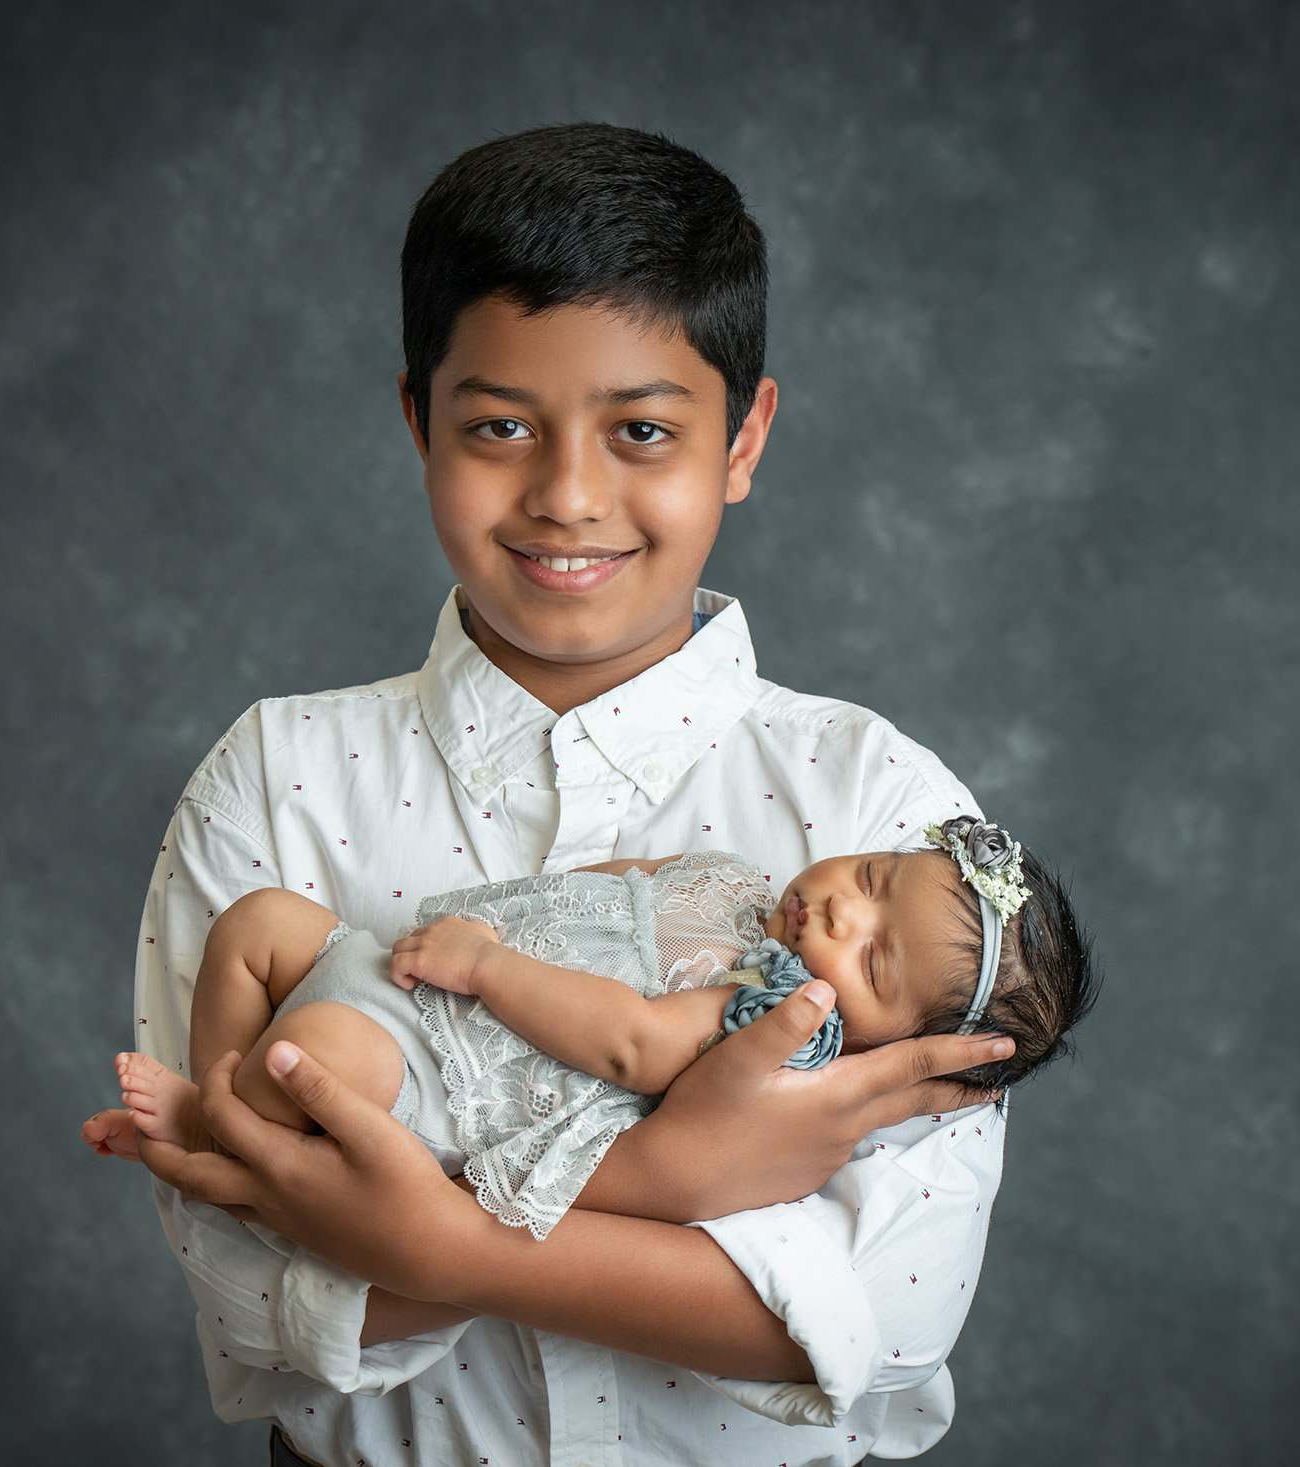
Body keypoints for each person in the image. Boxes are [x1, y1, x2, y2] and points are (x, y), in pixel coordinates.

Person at [79, 121, 1035, 1466]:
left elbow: (889, 1310)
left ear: (744, 437)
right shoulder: (278, 777)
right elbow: (248, 1298)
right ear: (418, 419)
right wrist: (684, 1193)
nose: (569, 493)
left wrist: (426, 1240)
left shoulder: (884, 820)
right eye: (499, 427)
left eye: (642, 428)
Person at [110, 828, 1091, 1248]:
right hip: (403, 966)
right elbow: (616, 887)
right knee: (256, 923)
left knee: (316, 1058)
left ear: (880, 1043)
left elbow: (628, 1042)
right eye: (872, 879)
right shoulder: (739, 880)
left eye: (873, 964)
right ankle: (219, 1104)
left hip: (442, 1063)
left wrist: (490, 967)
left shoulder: (768, 1013)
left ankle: (223, 1130)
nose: (841, 913)